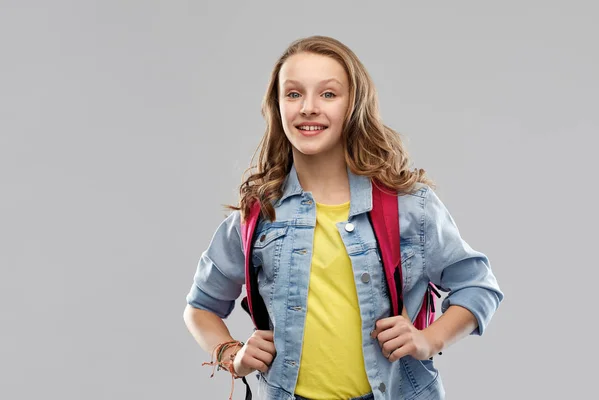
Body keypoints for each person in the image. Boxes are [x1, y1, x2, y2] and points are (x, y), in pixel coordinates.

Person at [183, 35, 504, 400]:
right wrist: (231, 354)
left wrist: (429, 339)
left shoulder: (410, 207)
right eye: (293, 94)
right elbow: (200, 308)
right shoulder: (260, 214)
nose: (308, 107)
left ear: (354, 105)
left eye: (328, 94)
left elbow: (478, 285)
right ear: (277, 107)